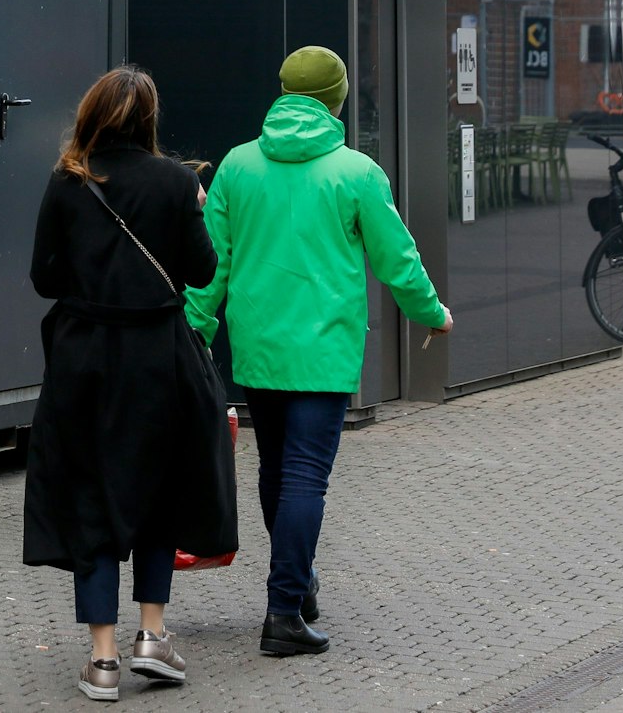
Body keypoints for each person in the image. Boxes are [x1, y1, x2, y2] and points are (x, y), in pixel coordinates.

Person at [185, 46, 452, 658]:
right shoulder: (356, 171)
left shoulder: (237, 165)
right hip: (325, 348)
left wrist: (195, 331)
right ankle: (283, 613)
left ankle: (298, 585)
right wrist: (430, 313)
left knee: (276, 472)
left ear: (282, 92)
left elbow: (210, 264)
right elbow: (397, 258)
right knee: (306, 476)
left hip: (257, 345)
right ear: (337, 98)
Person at [24, 66, 238, 703]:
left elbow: (43, 276)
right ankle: (152, 637)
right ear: (148, 121)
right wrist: (191, 209)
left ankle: (103, 661)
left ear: (92, 115)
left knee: (90, 493)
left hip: (85, 358)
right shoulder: (175, 181)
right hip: (159, 358)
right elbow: (201, 271)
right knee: (159, 488)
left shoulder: (70, 180)